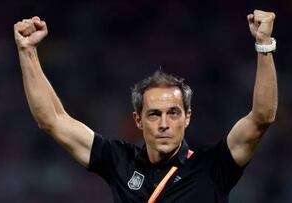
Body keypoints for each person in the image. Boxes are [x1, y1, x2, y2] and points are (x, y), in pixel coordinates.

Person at [14, 9, 277, 203]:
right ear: (138, 120)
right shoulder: (120, 162)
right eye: (154, 114)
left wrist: (264, 45)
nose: (164, 123)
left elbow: (262, 117)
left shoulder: (213, 167)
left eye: (173, 113)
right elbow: (52, 120)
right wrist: (27, 51)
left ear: (187, 117)